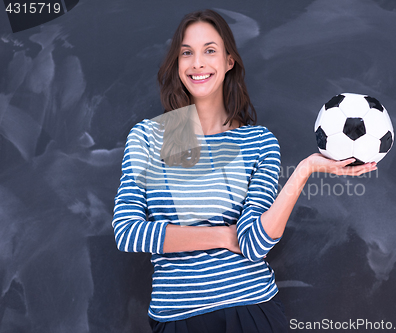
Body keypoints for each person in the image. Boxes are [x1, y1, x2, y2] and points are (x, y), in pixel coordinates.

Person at [112, 9, 376, 333]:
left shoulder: (258, 141)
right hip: (177, 318)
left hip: (252, 312)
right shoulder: (149, 137)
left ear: (229, 61)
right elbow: (128, 232)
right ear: (177, 64)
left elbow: (253, 244)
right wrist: (223, 235)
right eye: (187, 53)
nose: (197, 63)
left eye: (210, 50)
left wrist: (305, 169)